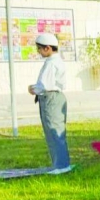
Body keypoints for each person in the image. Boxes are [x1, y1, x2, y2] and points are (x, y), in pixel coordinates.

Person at [27, 34, 72, 175]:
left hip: (51, 98)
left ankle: (61, 165)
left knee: (54, 132)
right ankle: (59, 163)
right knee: (54, 132)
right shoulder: (56, 61)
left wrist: (32, 89)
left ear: (47, 48)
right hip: (54, 97)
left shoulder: (51, 63)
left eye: (39, 49)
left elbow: (45, 85)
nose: (39, 52)